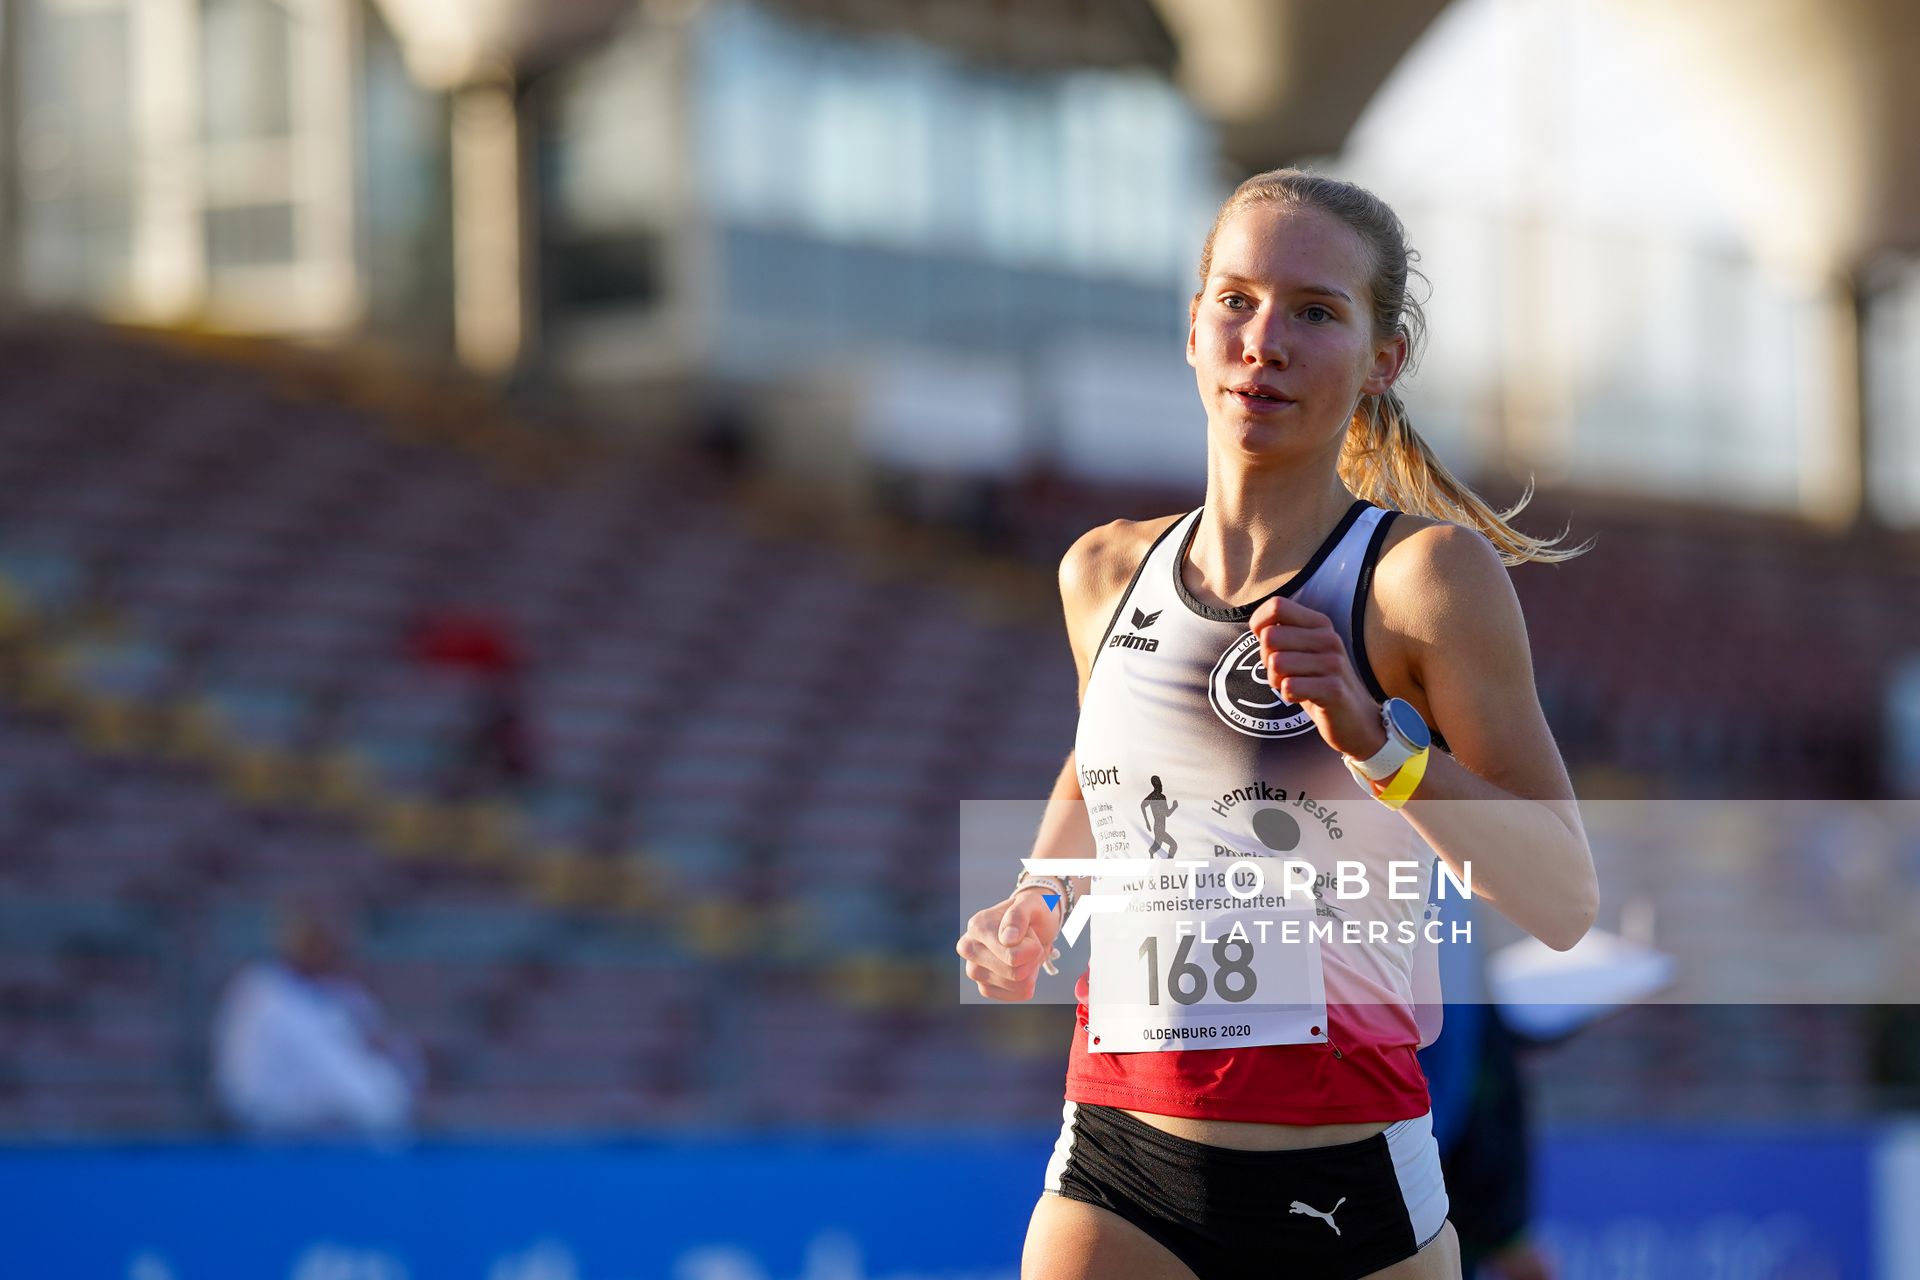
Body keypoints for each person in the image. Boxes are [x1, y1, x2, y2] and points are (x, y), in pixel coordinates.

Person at [954, 169, 1598, 1280]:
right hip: (1119, 1164)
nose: (1266, 340)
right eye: (1237, 301)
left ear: (1382, 358)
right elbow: (1106, 771)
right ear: (1194, 326)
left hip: (1347, 1185)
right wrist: (1042, 894)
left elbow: (1563, 895)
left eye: (1316, 310)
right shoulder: (1103, 571)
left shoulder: (1422, 579)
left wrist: (1378, 743)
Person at [212, 890, 423, 1136]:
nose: (329, 941)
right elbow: (245, 1091)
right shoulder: (262, 994)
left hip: (357, 1142)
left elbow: (397, 1067)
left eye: (335, 931)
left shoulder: (348, 997)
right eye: (315, 931)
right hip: (278, 1146)